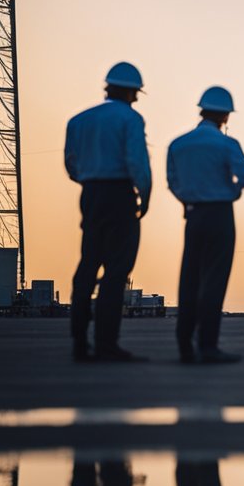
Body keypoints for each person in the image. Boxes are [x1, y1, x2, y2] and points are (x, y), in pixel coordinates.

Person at [65, 62, 152, 362]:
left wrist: (91, 180)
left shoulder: (78, 121)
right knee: (116, 271)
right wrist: (145, 195)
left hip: (91, 194)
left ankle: (79, 341)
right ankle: (106, 343)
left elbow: (71, 166)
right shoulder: (131, 119)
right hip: (119, 196)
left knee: (88, 264)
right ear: (130, 91)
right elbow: (137, 163)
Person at [167, 86, 244, 364]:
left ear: (201, 110)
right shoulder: (227, 145)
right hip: (220, 215)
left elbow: (173, 182)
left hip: (193, 215)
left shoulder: (178, 144)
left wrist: (187, 200)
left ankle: (184, 343)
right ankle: (207, 345)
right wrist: (231, 190)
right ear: (226, 116)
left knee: (189, 279)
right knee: (214, 281)